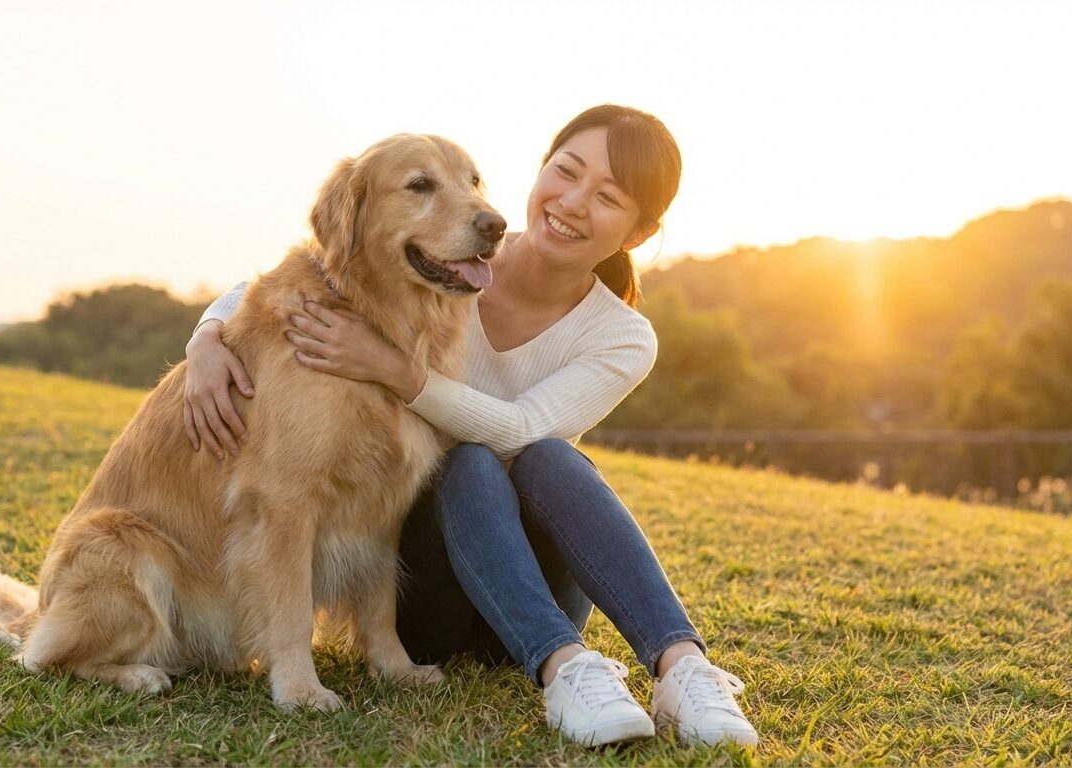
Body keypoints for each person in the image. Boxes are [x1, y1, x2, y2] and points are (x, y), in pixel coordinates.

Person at [182, 105, 758, 749]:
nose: (572, 201)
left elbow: (519, 428)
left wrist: (396, 371)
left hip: (535, 594)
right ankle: (567, 673)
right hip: (431, 591)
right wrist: (208, 333)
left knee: (543, 456)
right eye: (565, 172)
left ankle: (684, 668)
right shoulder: (449, 264)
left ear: (639, 232)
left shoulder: (622, 336)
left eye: (607, 197)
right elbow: (313, 273)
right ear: (540, 171)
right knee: (469, 464)